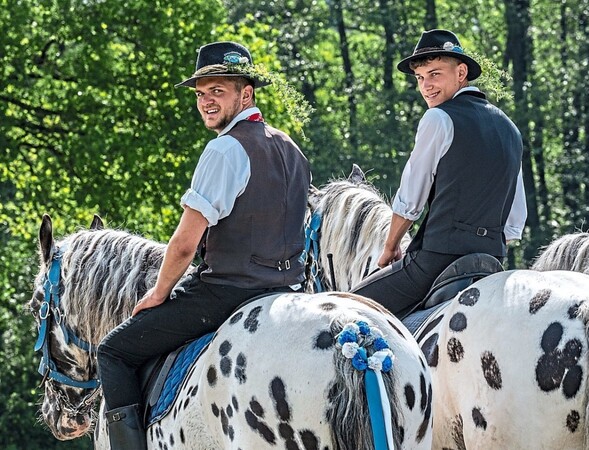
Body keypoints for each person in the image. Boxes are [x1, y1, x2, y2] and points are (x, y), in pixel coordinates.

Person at [96, 41, 311, 449]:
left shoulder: (224, 149)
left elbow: (183, 245)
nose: (206, 102)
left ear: (245, 93)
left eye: (218, 91)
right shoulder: (292, 149)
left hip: (226, 293)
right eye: (200, 93)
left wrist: (159, 293)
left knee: (114, 351)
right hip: (287, 291)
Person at [352, 29, 527, 318]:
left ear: (461, 73)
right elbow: (514, 223)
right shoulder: (511, 129)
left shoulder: (438, 118)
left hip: (437, 262)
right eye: (420, 78)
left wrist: (390, 247)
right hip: (492, 262)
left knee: (345, 310)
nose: (426, 86)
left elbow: (410, 201)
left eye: (435, 74)